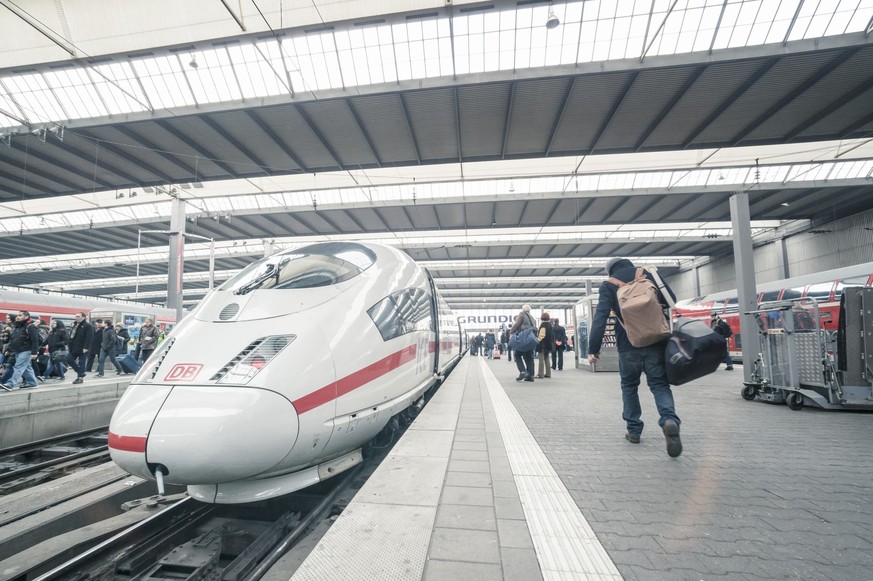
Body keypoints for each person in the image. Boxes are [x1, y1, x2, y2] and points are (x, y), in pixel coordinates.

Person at [587, 258, 682, 457]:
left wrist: (593, 349)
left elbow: (600, 317)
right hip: (656, 340)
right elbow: (670, 300)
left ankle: (634, 430)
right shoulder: (648, 274)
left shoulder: (608, 285)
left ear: (610, 270)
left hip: (628, 343)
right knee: (659, 384)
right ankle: (669, 420)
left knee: (629, 386)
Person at [1, 311, 40, 391]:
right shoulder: (18, 326)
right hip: (17, 350)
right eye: (17, 315)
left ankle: (10, 384)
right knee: (27, 368)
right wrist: (9, 349)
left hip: (26, 350)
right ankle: (33, 383)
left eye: (20, 315)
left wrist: (34, 352)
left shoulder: (30, 326)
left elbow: (35, 340)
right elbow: (13, 340)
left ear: (26, 317)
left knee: (18, 367)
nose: (17, 317)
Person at [509, 304, 537, 382]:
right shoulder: (532, 318)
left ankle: (523, 372)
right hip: (530, 339)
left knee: (517, 355)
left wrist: (511, 332)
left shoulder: (521, 314)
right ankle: (530, 376)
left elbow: (516, 324)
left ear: (523, 309)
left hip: (523, 338)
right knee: (529, 357)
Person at [67, 312, 94, 384]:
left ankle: (80, 378)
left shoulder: (88, 326)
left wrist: (86, 347)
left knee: (81, 362)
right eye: (76, 316)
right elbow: (71, 335)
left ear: (83, 317)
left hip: (82, 347)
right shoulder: (74, 325)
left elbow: (89, 337)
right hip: (73, 347)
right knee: (69, 359)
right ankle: (80, 372)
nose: (76, 318)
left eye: (78, 316)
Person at [535, 312, 554, 378]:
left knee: (541, 360)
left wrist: (537, 341)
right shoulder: (550, 325)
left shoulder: (543, 325)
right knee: (547, 359)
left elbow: (542, 335)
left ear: (542, 318)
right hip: (548, 345)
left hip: (542, 345)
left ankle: (540, 374)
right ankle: (548, 374)